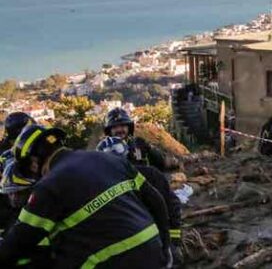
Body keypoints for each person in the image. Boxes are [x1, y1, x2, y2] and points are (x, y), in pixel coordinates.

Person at [0, 125, 171, 268]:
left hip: (110, 262)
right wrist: (166, 245)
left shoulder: (48, 186)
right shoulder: (108, 159)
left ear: (34, 162)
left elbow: (19, 241)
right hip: (152, 250)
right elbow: (155, 200)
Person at [98, 135, 183, 267]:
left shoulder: (150, 175)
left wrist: (173, 241)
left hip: (155, 239)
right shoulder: (100, 187)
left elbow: (171, 205)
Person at [102, 107, 172, 171]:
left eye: (123, 125)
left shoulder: (139, 144)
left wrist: (174, 164)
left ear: (129, 128)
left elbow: (161, 161)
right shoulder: (103, 151)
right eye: (115, 127)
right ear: (109, 131)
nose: (119, 130)